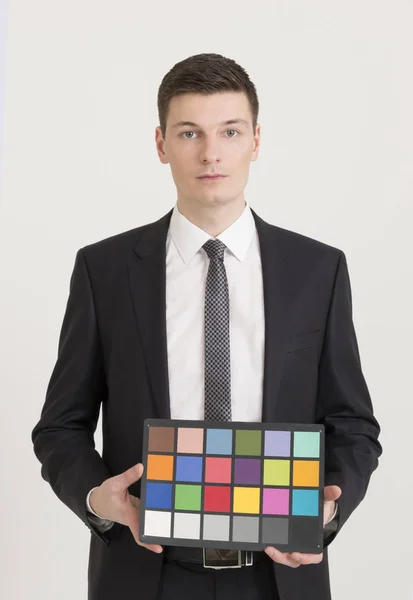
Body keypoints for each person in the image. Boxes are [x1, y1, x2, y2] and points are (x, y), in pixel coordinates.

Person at [31, 53, 382, 600]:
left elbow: (353, 425)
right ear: (160, 143)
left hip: (280, 576)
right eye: (189, 132)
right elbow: (59, 427)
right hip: (145, 573)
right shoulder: (105, 270)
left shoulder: (318, 269)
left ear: (256, 142)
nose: (211, 152)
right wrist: (99, 499)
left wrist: (330, 508)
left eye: (230, 131)